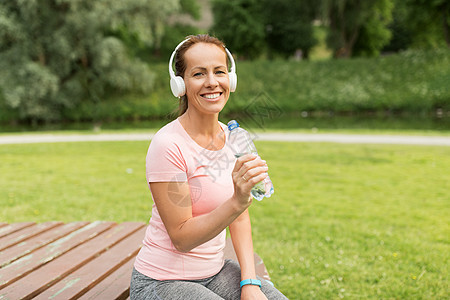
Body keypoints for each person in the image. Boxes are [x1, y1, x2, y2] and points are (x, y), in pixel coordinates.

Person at [130, 34, 287, 300]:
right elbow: (182, 237)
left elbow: (239, 216)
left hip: (214, 274)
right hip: (161, 282)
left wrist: (250, 282)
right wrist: (237, 200)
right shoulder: (168, 145)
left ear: (231, 79)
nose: (212, 82)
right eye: (199, 74)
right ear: (180, 84)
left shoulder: (236, 139)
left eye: (219, 72)